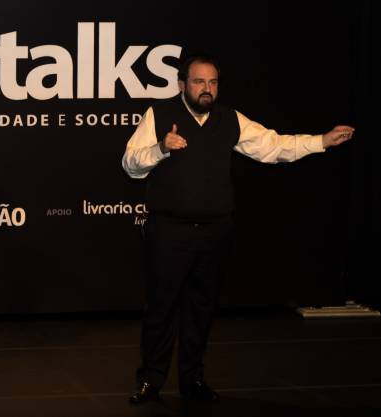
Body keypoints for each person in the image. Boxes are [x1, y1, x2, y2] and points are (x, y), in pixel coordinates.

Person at [122, 54, 354, 405]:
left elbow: (273, 147)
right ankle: (150, 381)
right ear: (182, 85)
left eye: (213, 82)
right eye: (199, 82)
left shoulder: (230, 119)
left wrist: (321, 140)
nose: (207, 89)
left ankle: (193, 381)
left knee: (202, 309)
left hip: (215, 232)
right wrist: (160, 148)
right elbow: (130, 165)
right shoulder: (159, 114)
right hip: (169, 231)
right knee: (161, 308)